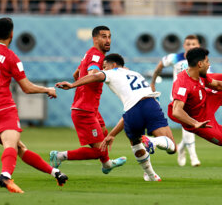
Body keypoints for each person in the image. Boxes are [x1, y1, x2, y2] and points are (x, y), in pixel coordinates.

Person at [0, 17, 68, 194]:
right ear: (12, 34)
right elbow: (27, 88)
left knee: (19, 148)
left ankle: (55, 172)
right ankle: (5, 175)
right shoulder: (11, 57)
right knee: (11, 146)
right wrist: (47, 89)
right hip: (3, 110)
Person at [56, 53, 177, 181]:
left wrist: (73, 85)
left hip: (132, 111)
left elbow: (96, 76)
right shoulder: (136, 74)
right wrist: (112, 134)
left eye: (104, 66)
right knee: (172, 147)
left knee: (135, 142)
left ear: (113, 65)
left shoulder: (112, 72)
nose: (103, 69)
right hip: (150, 104)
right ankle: (153, 142)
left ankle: (151, 175)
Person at [49, 26, 126, 175]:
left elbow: (76, 73)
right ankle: (59, 156)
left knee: (104, 135)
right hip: (84, 110)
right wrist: (102, 75)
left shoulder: (89, 54)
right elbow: (93, 73)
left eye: (109, 37)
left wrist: (83, 90)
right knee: (98, 151)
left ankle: (107, 164)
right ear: (95, 39)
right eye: (104, 37)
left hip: (90, 108)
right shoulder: (97, 56)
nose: (108, 40)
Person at [168, 47, 222, 147]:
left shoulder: (200, 75)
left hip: (206, 100)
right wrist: (195, 123)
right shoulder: (182, 83)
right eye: (207, 61)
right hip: (200, 120)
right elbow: (176, 111)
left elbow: (218, 85)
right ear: (200, 64)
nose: (209, 64)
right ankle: (181, 145)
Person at [150, 35, 202, 167]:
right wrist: (153, 82)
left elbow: (208, 77)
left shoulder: (201, 61)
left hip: (194, 97)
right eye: (188, 44)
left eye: (193, 44)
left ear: (198, 46)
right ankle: (194, 157)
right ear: (184, 46)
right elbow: (159, 66)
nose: (190, 46)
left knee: (190, 127)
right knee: (189, 126)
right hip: (178, 97)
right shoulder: (175, 58)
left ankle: (181, 148)